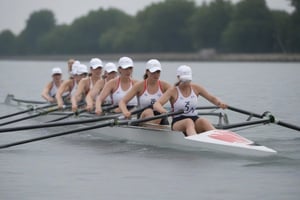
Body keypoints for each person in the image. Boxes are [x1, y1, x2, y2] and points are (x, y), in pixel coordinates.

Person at [153, 65, 227, 136]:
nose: (186, 82)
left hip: (195, 118)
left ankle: (220, 138)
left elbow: (211, 98)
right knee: (188, 122)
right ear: (178, 77)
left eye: (188, 80)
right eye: (184, 80)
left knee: (203, 121)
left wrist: (219, 103)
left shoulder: (196, 88)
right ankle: (195, 140)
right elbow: (157, 104)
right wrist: (163, 111)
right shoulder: (173, 91)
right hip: (178, 122)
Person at [119, 59, 171, 124]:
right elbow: (122, 102)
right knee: (148, 111)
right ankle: (154, 129)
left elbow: (176, 94)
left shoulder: (165, 85)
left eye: (158, 72)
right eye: (153, 72)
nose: (156, 75)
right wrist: (125, 112)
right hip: (142, 116)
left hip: (159, 116)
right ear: (147, 72)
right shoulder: (139, 86)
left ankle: (156, 127)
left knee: (160, 115)